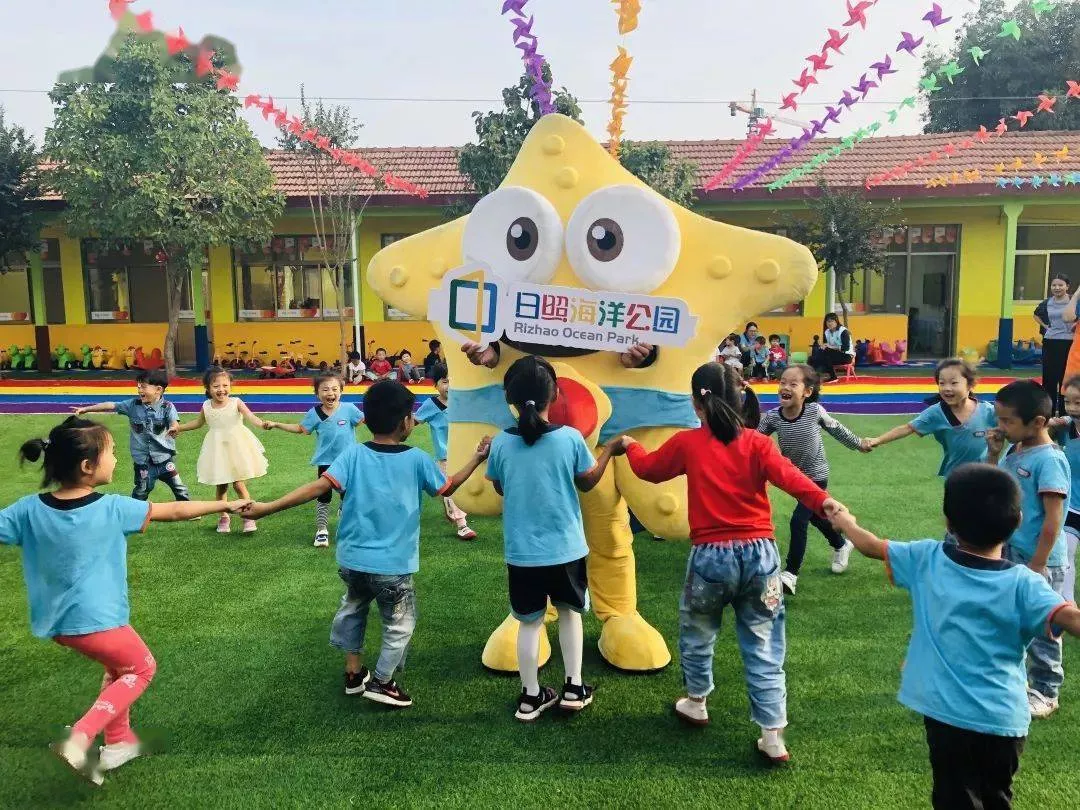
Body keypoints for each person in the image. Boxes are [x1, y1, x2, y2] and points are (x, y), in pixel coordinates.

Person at [614, 362, 846, 763]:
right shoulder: (758, 444)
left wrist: (630, 445)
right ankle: (772, 734)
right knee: (764, 643)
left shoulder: (688, 443)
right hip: (762, 559)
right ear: (740, 400)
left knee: (698, 632)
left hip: (710, 559)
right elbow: (793, 479)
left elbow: (647, 470)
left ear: (695, 403)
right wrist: (825, 503)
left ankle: (696, 702)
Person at [0, 416, 247, 785]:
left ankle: (118, 742)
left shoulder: (27, 509)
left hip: (60, 624)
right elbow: (174, 511)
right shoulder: (112, 507)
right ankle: (80, 736)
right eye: (112, 452)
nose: (117, 458)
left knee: (119, 669)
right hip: (97, 620)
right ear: (88, 467)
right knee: (142, 668)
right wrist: (224, 506)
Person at [829, 464, 1079, 810]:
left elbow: (872, 546)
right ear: (1018, 521)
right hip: (1004, 721)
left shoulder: (926, 558)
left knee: (953, 799)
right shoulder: (1025, 583)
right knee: (996, 798)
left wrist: (845, 521)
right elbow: (1070, 618)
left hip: (947, 717)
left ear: (948, 522)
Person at [242, 380, 489, 708]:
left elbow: (317, 488)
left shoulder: (353, 455)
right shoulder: (417, 459)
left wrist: (267, 508)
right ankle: (383, 682)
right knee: (400, 623)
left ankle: (353, 673)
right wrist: (477, 458)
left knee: (355, 608)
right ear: (405, 423)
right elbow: (449, 487)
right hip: (393, 565)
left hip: (352, 561)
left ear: (367, 419)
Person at [486, 356, 620, 722]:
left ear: (510, 399)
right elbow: (587, 482)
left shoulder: (501, 444)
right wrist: (610, 449)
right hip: (566, 549)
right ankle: (573, 688)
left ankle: (530, 696)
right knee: (569, 614)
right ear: (555, 394)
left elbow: (500, 485)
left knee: (529, 623)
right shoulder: (570, 438)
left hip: (522, 552)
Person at [987, 380, 1072, 719]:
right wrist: (994, 454)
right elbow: (993, 488)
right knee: (1011, 621)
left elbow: (1054, 520)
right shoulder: (1016, 449)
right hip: (1011, 552)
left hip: (1041, 559)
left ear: (1037, 422)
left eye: (1007, 421)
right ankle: (1016, 681)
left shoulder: (1050, 460)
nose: (1000, 426)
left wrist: (1038, 564)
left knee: (1044, 628)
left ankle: (1047, 691)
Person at [758, 364, 870, 594]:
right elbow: (753, 440)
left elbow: (837, 429)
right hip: (794, 480)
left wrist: (859, 443)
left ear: (807, 392)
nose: (785, 387)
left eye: (793, 384)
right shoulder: (772, 417)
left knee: (798, 520)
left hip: (817, 476)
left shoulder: (814, 411)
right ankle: (841, 544)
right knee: (817, 518)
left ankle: (790, 574)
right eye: (782, 382)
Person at [263, 373, 364, 548]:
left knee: (349, 495)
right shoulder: (314, 413)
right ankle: (322, 530)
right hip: (326, 462)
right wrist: (276, 424)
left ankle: (347, 521)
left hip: (348, 462)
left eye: (334, 389)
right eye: (325, 390)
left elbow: (365, 421)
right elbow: (300, 428)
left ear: (341, 391)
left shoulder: (349, 409)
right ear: (317, 394)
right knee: (323, 497)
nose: (330, 393)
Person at [71, 369, 190, 503]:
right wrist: (86, 409)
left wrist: (174, 428)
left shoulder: (168, 407)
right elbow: (111, 405)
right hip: (143, 462)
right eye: (138, 386)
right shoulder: (133, 405)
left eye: (143, 387)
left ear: (158, 390)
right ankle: (135, 510)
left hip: (164, 459)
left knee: (179, 487)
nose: (139, 390)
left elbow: (174, 422)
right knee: (141, 490)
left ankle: (187, 509)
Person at [175, 367, 268, 534]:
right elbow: (198, 423)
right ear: (208, 388)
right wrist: (179, 428)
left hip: (237, 447)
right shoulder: (206, 405)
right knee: (221, 485)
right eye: (216, 386)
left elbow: (251, 417)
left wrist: (262, 424)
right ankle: (223, 516)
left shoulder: (236, 402)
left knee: (239, 484)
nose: (221, 389)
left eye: (225, 385)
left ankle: (248, 515)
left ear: (230, 386)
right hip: (217, 450)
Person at [868, 359, 997, 477]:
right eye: (942, 383)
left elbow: (1007, 425)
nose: (947, 388)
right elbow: (908, 428)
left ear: (970, 384)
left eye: (954, 383)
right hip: (955, 476)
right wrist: (877, 440)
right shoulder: (936, 412)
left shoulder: (987, 411)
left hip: (984, 474)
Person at [414, 363, 477, 540]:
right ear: (435, 384)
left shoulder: (462, 402)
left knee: (467, 485)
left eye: (453, 381)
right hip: (445, 457)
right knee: (450, 488)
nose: (450, 386)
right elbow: (414, 421)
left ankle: (459, 508)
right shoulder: (431, 405)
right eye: (445, 381)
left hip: (465, 454)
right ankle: (461, 524)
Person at [1050, 375, 1080, 602]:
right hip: (1071, 507)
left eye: (1078, 402)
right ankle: (1068, 603)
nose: (1071, 408)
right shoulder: (1064, 428)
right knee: (1066, 555)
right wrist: (1049, 425)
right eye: (1067, 402)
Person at [1034, 273, 1080, 414]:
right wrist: (1045, 326)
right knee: (1049, 378)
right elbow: (1036, 314)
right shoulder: (1047, 302)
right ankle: (1049, 411)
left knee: (1064, 378)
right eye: (1054, 285)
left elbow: (1071, 317)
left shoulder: (1073, 301)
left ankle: (1064, 412)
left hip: (1068, 343)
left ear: (1067, 287)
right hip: (1050, 342)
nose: (1057, 288)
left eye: (1060, 285)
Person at [811, 313, 855, 382]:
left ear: (836, 321)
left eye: (832, 321)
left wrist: (830, 347)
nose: (829, 323)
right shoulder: (827, 332)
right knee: (813, 357)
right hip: (833, 354)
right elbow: (828, 345)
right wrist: (824, 346)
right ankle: (814, 376)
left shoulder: (843, 331)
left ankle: (830, 377)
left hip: (847, 356)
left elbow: (845, 348)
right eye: (828, 321)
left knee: (824, 356)